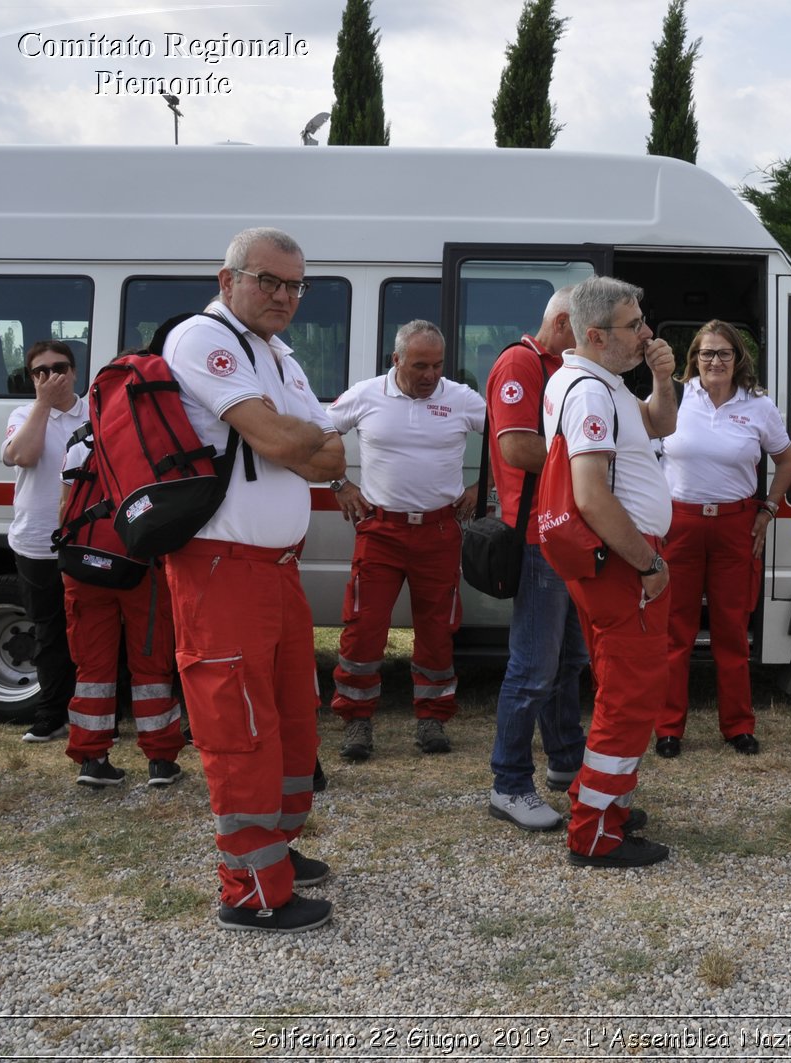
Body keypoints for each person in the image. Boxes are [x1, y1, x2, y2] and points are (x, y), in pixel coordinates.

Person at [162, 227, 345, 933]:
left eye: (296, 284)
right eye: (268, 280)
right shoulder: (202, 341)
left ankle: (275, 852)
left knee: (291, 719)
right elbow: (283, 442)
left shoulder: (276, 353)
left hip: (275, 570)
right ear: (227, 277)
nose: (284, 296)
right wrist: (298, 439)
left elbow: (327, 452)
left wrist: (303, 441)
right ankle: (248, 890)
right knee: (239, 730)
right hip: (221, 570)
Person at [544, 276, 677, 868]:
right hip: (625, 563)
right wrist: (648, 563)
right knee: (630, 699)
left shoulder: (599, 383)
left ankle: (607, 805)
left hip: (616, 564)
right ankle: (594, 831)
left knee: (621, 691)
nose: (646, 333)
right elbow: (592, 495)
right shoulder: (591, 392)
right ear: (594, 335)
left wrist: (665, 380)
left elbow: (660, 425)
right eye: (634, 325)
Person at [327, 321, 484, 762]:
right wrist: (339, 483)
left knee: (437, 631)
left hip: (439, 532)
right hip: (380, 532)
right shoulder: (366, 394)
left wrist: (483, 488)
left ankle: (432, 717)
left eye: (437, 365)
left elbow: (507, 437)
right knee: (364, 629)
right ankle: (357, 721)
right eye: (419, 366)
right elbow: (317, 433)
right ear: (396, 360)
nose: (430, 375)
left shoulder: (460, 399)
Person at [655, 321, 791, 758]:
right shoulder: (672, 399)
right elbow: (643, 457)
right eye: (706, 353)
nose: (715, 361)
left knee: (732, 632)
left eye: (724, 354)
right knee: (674, 631)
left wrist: (769, 509)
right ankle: (668, 728)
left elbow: (786, 461)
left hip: (736, 526)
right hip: (680, 524)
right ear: (694, 357)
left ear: (739, 359)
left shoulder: (758, 406)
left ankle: (737, 725)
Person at [484, 288, 588, 832]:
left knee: (567, 661)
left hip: (559, 535)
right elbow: (516, 447)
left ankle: (568, 764)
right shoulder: (521, 363)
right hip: (536, 538)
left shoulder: (556, 365)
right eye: (591, 325)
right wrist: (591, 455)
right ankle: (509, 783)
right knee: (533, 669)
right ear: (567, 321)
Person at [59, 438, 187, 788]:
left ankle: (93, 759)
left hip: (85, 565)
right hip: (141, 565)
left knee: (92, 669)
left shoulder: (79, 444)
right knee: (151, 663)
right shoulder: (152, 438)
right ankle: (160, 761)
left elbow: (65, 509)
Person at [4, 340, 88, 743]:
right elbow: (21, 455)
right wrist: (43, 404)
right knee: (49, 632)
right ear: (30, 378)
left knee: (95, 630)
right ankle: (52, 714)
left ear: (74, 372)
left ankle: (98, 714)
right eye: (40, 371)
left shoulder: (97, 412)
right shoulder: (23, 413)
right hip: (37, 542)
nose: (51, 376)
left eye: (59, 368)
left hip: (89, 540)